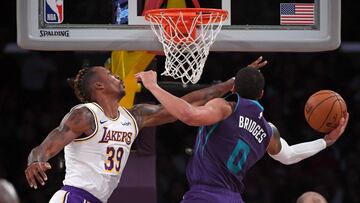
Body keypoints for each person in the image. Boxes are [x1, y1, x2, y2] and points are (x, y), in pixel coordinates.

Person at [25, 57, 265, 203]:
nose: (117, 76)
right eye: (109, 75)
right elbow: (46, 146)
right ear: (98, 85)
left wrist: (235, 82)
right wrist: (35, 161)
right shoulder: (86, 114)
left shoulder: (134, 116)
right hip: (74, 197)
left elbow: (191, 102)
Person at [136, 62, 349, 203]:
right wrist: (326, 141)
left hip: (205, 195)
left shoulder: (225, 108)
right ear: (262, 94)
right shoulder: (268, 130)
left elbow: (190, 115)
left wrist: (153, 86)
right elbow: (289, 155)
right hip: (234, 198)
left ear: (235, 90)